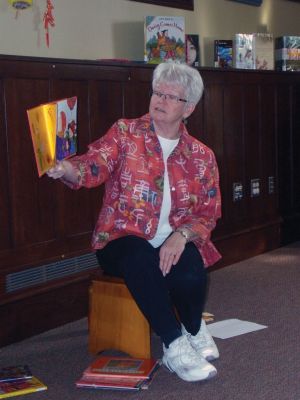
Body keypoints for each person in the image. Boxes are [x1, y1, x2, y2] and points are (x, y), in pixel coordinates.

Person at [47, 61, 222, 383]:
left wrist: (181, 236)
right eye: (158, 92)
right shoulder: (125, 133)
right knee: (140, 257)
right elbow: (94, 164)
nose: (161, 100)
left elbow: (207, 212)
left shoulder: (201, 155)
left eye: (172, 96)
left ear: (189, 108)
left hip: (173, 237)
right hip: (121, 239)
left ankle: (194, 328)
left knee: (191, 272)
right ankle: (174, 345)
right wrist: (66, 169)